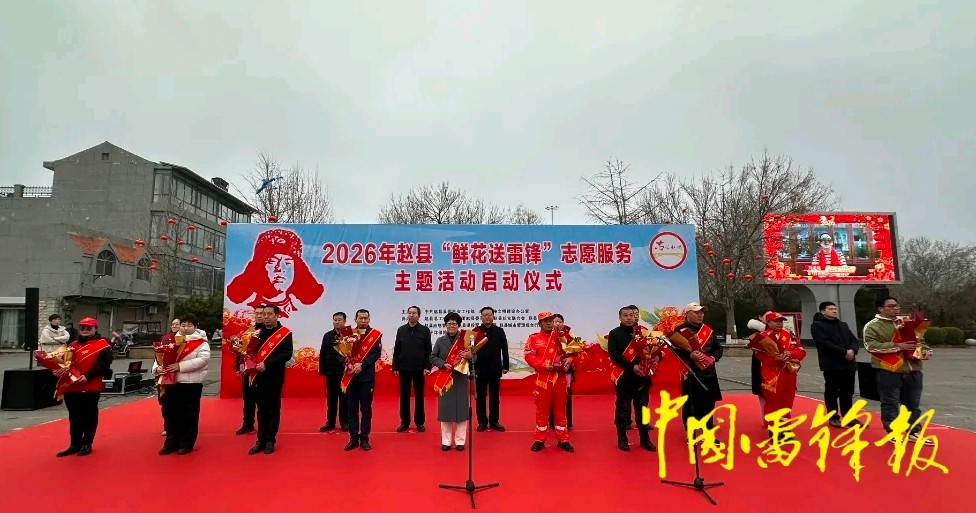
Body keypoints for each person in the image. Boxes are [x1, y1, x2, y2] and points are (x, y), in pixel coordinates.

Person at [863, 296, 933, 444]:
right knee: (890, 403)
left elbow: (920, 341)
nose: (895, 308)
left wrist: (925, 351)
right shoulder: (872, 326)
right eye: (891, 306)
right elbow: (871, 346)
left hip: (913, 370)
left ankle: (913, 431)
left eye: (897, 305)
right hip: (889, 370)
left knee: (912, 404)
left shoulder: (906, 322)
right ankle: (893, 432)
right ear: (880, 309)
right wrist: (898, 346)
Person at [225, 228, 325, 317]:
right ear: (259, 268)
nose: (280, 268)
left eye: (287, 263)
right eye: (272, 262)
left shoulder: (303, 314)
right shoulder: (245, 314)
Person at [53, 317, 113, 457]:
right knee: (74, 415)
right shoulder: (72, 344)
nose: (85, 330)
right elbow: (65, 363)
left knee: (89, 415)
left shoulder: (103, 345)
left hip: (90, 385)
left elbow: (104, 365)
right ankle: (75, 444)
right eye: (82, 328)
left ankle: (87, 443)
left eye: (88, 328)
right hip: (71, 385)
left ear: (95, 329)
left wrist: (88, 376)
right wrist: (58, 370)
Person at [153, 314, 210, 455]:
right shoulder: (170, 341)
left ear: (195, 327)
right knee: (170, 413)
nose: (185, 328)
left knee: (188, 414)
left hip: (191, 383)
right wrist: (157, 368)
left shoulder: (201, 343)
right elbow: (159, 358)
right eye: (183, 325)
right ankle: (171, 442)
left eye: (189, 325)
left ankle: (186, 443)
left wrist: (180, 366)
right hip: (171, 382)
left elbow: (203, 360)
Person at [670, 303, 723, 442]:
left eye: (702, 313)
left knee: (709, 404)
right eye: (696, 312)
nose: (700, 315)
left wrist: (713, 358)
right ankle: (691, 433)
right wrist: (690, 355)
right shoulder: (680, 330)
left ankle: (708, 432)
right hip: (690, 372)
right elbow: (675, 351)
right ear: (687, 314)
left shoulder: (708, 330)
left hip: (708, 372)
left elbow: (718, 349)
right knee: (690, 404)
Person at [523, 311, 574, 452]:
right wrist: (543, 365)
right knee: (542, 410)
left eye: (551, 320)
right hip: (543, 380)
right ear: (539, 323)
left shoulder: (561, 337)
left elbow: (574, 353)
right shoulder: (534, 338)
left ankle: (563, 439)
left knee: (561, 411)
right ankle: (539, 439)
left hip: (560, 379)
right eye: (545, 321)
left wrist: (570, 359)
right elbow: (529, 357)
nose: (549, 323)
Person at [607, 305, 656, 452]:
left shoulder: (643, 332)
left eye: (631, 315)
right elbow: (614, 354)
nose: (629, 318)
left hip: (642, 379)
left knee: (643, 410)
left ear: (636, 316)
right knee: (623, 410)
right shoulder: (615, 333)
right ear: (620, 317)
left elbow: (655, 349)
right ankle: (622, 437)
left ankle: (645, 438)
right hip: (624, 378)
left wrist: (656, 358)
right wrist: (631, 367)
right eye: (625, 315)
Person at [247, 305, 293, 455]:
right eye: (264, 314)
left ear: (277, 315)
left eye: (269, 314)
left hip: (274, 377)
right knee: (261, 409)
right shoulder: (257, 332)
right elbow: (250, 351)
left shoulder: (284, 333)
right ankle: (260, 440)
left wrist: (267, 364)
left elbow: (286, 354)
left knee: (272, 409)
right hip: (258, 377)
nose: (265, 317)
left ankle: (270, 440)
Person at [752, 311, 806, 439]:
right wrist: (776, 359)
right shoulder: (762, 337)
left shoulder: (789, 334)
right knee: (773, 403)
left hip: (789, 373)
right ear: (768, 322)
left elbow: (801, 350)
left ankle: (785, 429)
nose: (779, 323)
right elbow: (760, 356)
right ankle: (774, 432)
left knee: (787, 402)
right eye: (776, 321)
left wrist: (791, 354)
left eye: (781, 321)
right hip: (772, 375)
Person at [811, 301, 861, 428]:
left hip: (848, 363)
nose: (834, 311)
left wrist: (852, 350)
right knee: (832, 391)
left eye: (835, 309)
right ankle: (833, 417)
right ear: (823, 311)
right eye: (830, 309)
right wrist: (844, 352)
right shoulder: (817, 325)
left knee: (847, 392)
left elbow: (853, 339)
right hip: (832, 364)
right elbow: (824, 343)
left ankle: (848, 417)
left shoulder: (842, 324)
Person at [430, 312, 475, 451]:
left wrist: (469, 355)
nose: (451, 326)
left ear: (458, 325)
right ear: (445, 325)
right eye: (449, 323)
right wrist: (443, 364)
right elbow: (432, 357)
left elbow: (475, 356)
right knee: (445, 410)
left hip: (461, 378)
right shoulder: (440, 340)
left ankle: (460, 441)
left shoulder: (467, 339)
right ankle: (446, 441)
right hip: (445, 378)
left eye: (454, 323)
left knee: (461, 410)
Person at [342, 309, 382, 451]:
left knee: (365, 409)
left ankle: (364, 438)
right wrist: (348, 364)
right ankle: (353, 438)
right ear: (355, 319)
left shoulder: (375, 335)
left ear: (369, 319)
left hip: (366, 378)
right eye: (360, 318)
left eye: (366, 318)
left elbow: (376, 354)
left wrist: (362, 364)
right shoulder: (347, 333)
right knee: (351, 409)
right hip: (351, 377)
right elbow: (341, 354)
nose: (363, 321)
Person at [393, 305, 432, 433]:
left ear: (418, 316)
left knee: (419, 396)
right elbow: (396, 350)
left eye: (414, 313)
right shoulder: (401, 330)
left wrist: (427, 366)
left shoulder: (424, 330)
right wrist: (395, 366)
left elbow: (428, 350)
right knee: (404, 396)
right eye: (409, 313)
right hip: (404, 368)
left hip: (419, 369)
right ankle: (404, 422)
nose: (411, 315)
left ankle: (419, 422)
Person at [474, 306, 509, 432]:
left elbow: (504, 349)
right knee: (480, 397)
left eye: (490, 314)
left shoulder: (499, 331)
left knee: (494, 397)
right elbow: (470, 350)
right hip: (480, 368)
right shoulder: (475, 331)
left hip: (495, 368)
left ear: (493, 316)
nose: (487, 317)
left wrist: (505, 365)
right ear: (481, 317)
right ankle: (482, 421)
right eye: (485, 315)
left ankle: (494, 421)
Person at [318, 311, 349, 432]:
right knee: (331, 399)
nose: (337, 322)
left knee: (344, 398)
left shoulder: (349, 334)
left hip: (344, 372)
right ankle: (330, 422)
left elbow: (353, 353)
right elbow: (323, 353)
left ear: (344, 321)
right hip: (331, 372)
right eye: (335, 320)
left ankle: (345, 422)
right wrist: (322, 369)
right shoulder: (327, 335)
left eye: (340, 320)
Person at [235, 308, 264, 435]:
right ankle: (247, 424)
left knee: (262, 401)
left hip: (262, 370)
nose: (259, 316)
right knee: (248, 399)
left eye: (262, 314)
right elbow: (240, 351)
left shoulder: (269, 333)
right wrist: (238, 366)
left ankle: (264, 427)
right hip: (247, 371)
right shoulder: (248, 331)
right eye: (257, 314)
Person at [548, 314, 574, 430]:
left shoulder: (569, 335)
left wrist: (570, 359)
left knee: (566, 396)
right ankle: (552, 422)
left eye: (560, 321)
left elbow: (578, 349)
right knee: (550, 397)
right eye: (555, 322)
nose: (557, 324)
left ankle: (567, 422)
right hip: (550, 371)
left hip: (565, 371)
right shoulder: (547, 335)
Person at [158, 318, 181, 437]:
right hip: (165, 375)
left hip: (179, 375)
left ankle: (179, 426)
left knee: (178, 403)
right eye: (173, 324)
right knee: (165, 403)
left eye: (177, 324)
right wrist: (157, 368)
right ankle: (167, 426)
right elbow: (158, 356)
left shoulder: (185, 339)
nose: (174, 326)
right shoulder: (165, 338)